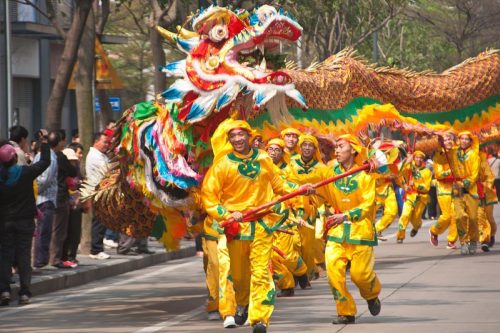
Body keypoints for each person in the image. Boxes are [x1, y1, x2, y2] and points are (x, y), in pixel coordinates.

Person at [202, 120, 313, 333]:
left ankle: (260, 319)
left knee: (261, 272)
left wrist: (300, 189)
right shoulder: (222, 164)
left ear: (249, 136)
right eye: (232, 136)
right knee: (240, 276)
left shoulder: (263, 158)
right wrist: (226, 214)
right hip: (237, 228)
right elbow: (209, 197)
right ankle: (242, 303)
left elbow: (279, 185)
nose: (237, 139)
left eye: (240, 135)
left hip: (262, 225)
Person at [317, 134, 381, 324]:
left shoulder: (366, 173)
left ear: (353, 149)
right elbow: (322, 192)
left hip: (360, 230)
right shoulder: (329, 170)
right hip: (336, 231)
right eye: (335, 147)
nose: (336, 150)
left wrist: (346, 215)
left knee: (360, 275)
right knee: (334, 273)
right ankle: (345, 312)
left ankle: (371, 295)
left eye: (341, 146)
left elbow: (368, 204)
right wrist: (313, 191)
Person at [0, 131, 50, 306]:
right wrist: (44, 142)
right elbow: (45, 162)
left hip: (4, 223)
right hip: (24, 222)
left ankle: (4, 290)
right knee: (23, 257)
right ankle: (24, 293)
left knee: (5, 256)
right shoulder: (25, 172)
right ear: (15, 158)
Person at [266, 138, 308, 297]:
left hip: (283, 217)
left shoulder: (288, 171)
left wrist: (299, 212)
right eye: (271, 149)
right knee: (271, 256)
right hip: (264, 219)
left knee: (286, 255)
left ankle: (301, 270)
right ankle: (286, 285)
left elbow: (294, 193)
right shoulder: (261, 167)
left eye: (277, 150)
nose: (273, 153)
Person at [283, 134, 325, 281]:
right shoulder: (290, 164)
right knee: (293, 241)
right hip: (291, 208)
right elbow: (283, 182)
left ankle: (307, 274)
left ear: (315, 149)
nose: (307, 148)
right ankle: (297, 273)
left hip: (311, 210)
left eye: (310, 145)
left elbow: (326, 189)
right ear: (299, 147)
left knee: (308, 246)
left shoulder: (321, 168)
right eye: (304, 145)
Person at [50, 130, 77, 269]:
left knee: (47, 228)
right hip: (59, 196)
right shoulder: (59, 156)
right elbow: (73, 172)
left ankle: (46, 258)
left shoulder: (42, 155)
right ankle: (55, 259)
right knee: (59, 230)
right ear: (60, 141)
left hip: (46, 197)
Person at [33, 131, 60, 270]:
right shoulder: (51, 158)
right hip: (45, 199)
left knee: (43, 231)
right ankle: (39, 261)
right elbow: (44, 180)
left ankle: (40, 260)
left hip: (43, 199)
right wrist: (36, 191)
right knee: (43, 231)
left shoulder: (41, 155)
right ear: (59, 143)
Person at [429, 131, 458, 249]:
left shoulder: (456, 153)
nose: (448, 141)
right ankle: (434, 231)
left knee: (456, 216)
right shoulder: (438, 155)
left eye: (450, 139)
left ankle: (451, 240)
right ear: (441, 142)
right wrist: (451, 172)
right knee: (446, 216)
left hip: (456, 189)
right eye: (445, 140)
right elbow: (439, 174)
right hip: (443, 189)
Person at [453, 131, 480, 255]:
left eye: (466, 139)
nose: (463, 141)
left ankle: (473, 241)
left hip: (471, 190)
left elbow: (474, 174)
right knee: (459, 217)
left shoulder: (474, 155)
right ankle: (463, 242)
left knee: (473, 218)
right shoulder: (453, 153)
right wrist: (440, 147)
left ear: (470, 141)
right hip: (457, 190)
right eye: (461, 139)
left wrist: (465, 183)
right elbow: (440, 159)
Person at [396, 151, 432, 243]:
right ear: (414, 158)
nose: (418, 159)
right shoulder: (409, 168)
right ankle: (400, 235)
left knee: (416, 219)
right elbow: (399, 173)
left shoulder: (427, 171)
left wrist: (415, 184)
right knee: (405, 215)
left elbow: (426, 187)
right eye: (416, 157)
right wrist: (407, 161)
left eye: (420, 158)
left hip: (421, 198)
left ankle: (416, 227)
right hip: (410, 195)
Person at [86, 132, 112, 260]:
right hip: (98, 192)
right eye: (105, 142)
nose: (107, 145)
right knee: (99, 222)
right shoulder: (94, 156)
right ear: (96, 141)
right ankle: (96, 250)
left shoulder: (101, 155)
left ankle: (98, 248)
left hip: (103, 191)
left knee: (102, 221)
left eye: (108, 142)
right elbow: (109, 170)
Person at [61, 144, 84, 264]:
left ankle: (72, 256)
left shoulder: (78, 170)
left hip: (77, 206)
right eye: (70, 161)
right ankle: (65, 257)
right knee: (66, 233)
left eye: (74, 161)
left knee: (75, 233)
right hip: (66, 205)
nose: (74, 163)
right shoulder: (63, 172)